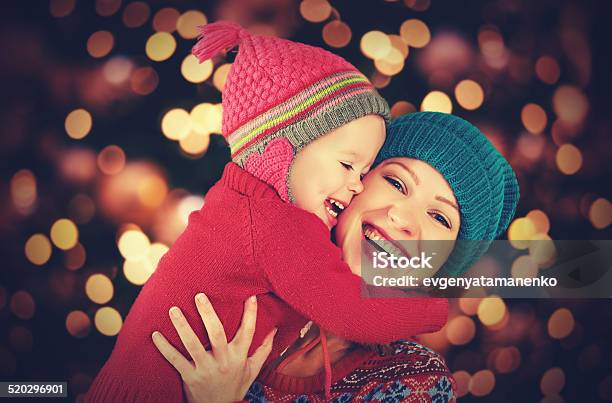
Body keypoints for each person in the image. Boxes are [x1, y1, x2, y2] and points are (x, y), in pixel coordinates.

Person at [86, 24, 448, 403]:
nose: (357, 185)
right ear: (281, 149)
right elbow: (350, 311)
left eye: (363, 172)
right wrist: (433, 309)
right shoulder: (280, 224)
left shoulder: (241, 197)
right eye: (346, 164)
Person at [151, 112, 520, 402]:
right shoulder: (246, 272)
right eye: (396, 182)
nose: (404, 219)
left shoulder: (413, 380)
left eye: (439, 217)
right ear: (354, 185)